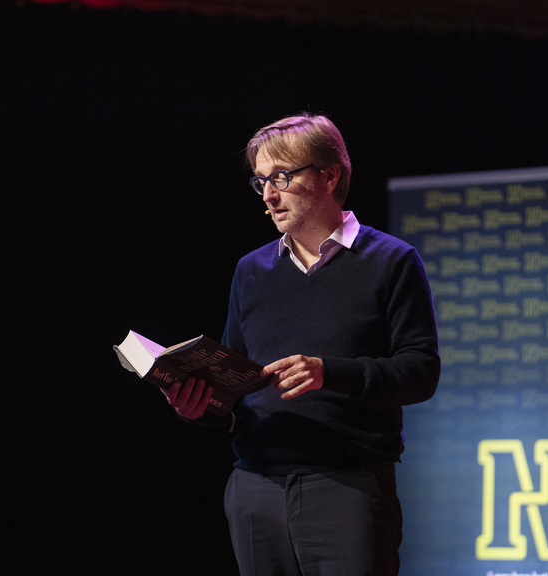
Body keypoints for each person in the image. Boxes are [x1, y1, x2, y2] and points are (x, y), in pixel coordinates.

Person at [160, 113, 440, 576]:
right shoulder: (251, 270)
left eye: (281, 177)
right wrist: (200, 406)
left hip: (347, 485)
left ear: (329, 176)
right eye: (261, 181)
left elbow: (420, 371)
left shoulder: (391, 261)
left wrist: (329, 372)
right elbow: (235, 382)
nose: (268, 195)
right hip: (254, 488)